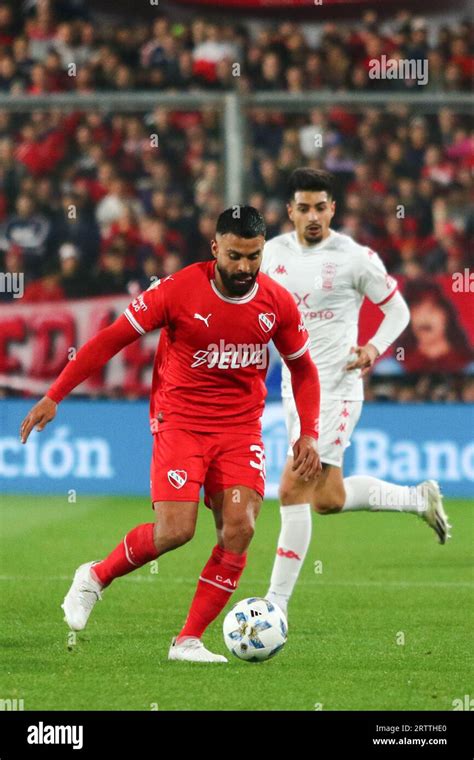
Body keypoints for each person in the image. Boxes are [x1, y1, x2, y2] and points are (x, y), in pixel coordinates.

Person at [20, 206, 321, 663]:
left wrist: (309, 433)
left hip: (240, 428)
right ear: (215, 248)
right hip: (180, 420)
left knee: (240, 527)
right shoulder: (176, 290)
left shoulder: (276, 302)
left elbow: (304, 369)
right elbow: (111, 338)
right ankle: (95, 577)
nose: (245, 267)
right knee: (176, 530)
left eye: (254, 256)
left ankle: (187, 641)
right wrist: (55, 394)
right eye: (235, 256)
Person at [261, 169, 451, 618]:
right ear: (290, 211)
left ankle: (274, 607)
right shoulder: (271, 254)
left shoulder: (354, 258)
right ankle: (416, 499)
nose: (312, 216)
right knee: (327, 499)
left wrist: (372, 349)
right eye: (303, 208)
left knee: (291, 488)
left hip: (337, 389)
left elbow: (398, 310)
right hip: (294, 389)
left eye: (320, 207)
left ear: (332, 209)